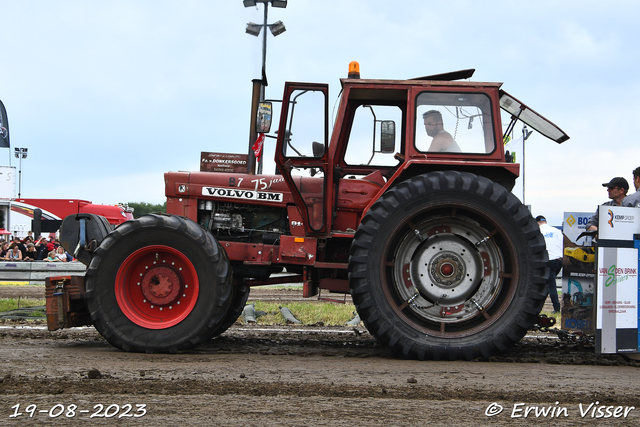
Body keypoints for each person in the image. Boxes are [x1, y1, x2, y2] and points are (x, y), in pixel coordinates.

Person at [536, 215, 563, 313]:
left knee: (550, 285)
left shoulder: (539, 232)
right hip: (559, 260)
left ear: (537, 223)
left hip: (549, 261)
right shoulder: (557, 231)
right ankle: (541, 305)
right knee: (548, 284)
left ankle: (557, 308)